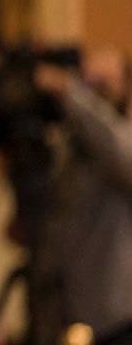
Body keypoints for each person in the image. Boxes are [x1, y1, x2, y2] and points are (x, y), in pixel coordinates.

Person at [32, 48, 132, 345]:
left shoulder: (120, 140)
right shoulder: (69, 147)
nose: (94, 95)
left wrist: (71, 91)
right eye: (90, 84)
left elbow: (115, 146)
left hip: (117, 311)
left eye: (104, 84)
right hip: (68, 304)